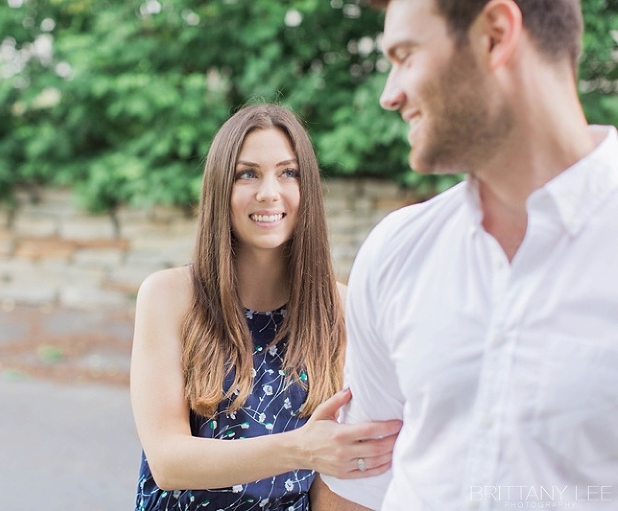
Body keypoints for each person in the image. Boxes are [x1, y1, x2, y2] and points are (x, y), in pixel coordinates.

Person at [315, 0, 618, 509]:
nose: (390, 96)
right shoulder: (395, 251)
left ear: (496, 34)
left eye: (405, 56)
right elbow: (359, 484)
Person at [130, 103, 402, 511]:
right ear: (221, 187)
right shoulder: (170, 297)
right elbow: (168, 460)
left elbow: (342, 473)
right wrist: (301, 449)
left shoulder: (344, 308)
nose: (269, 192)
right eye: (248, 174)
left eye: (288, 172)